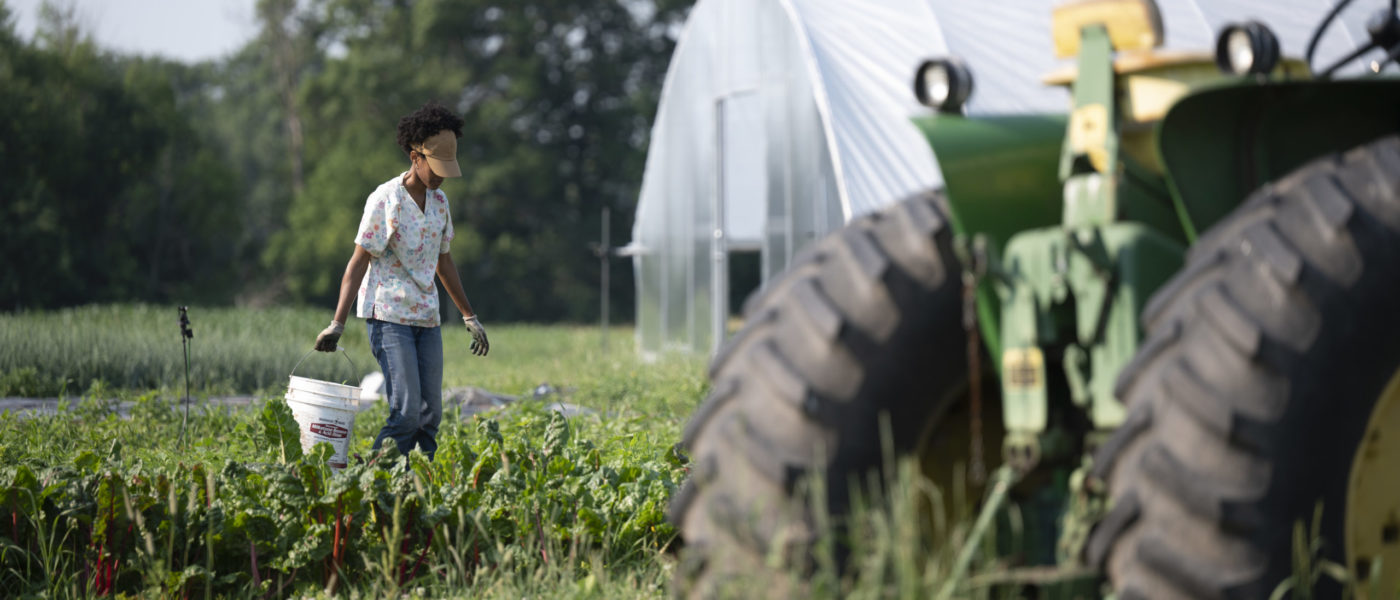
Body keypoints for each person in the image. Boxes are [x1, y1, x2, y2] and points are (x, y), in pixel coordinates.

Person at [313, 101, 489, 461]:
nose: (441, 177)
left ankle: (415, 491)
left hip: (427, 317)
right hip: (389, 316)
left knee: (430, 416)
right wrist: (336, 324)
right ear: (415, 157)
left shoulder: (440, 204)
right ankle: (372, 480)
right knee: (407, 412)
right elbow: (358, 263)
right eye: (435, 168)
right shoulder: (385, 200)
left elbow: (444, 263)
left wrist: (469, 316)